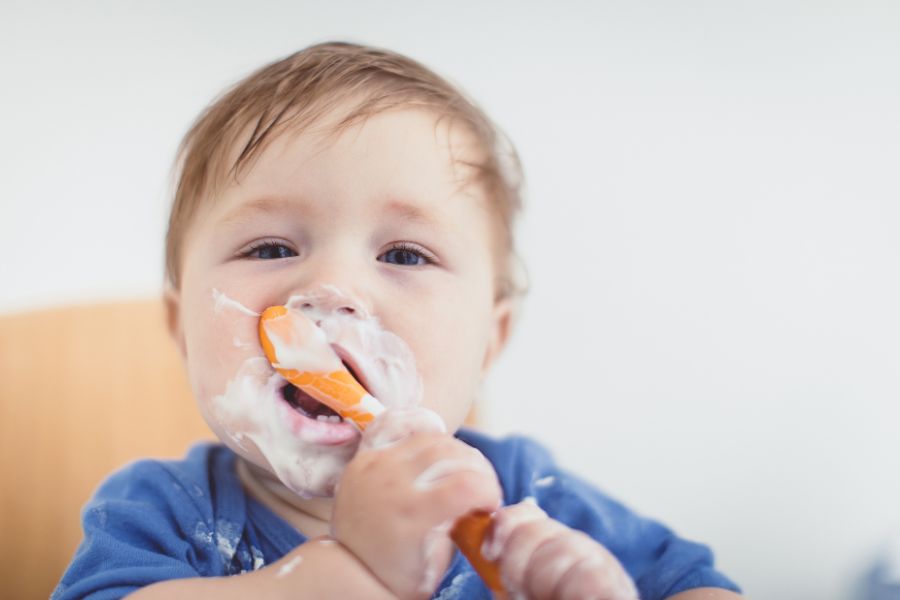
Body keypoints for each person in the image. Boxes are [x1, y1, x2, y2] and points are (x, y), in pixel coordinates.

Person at [54, 41, 742, 600]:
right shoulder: (162, 513)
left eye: (405, 254)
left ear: (489, 342)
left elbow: (697, 584)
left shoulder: (522, 492)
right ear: (179, 327)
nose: (331, 289)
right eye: (270, 247)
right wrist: (354, 572)